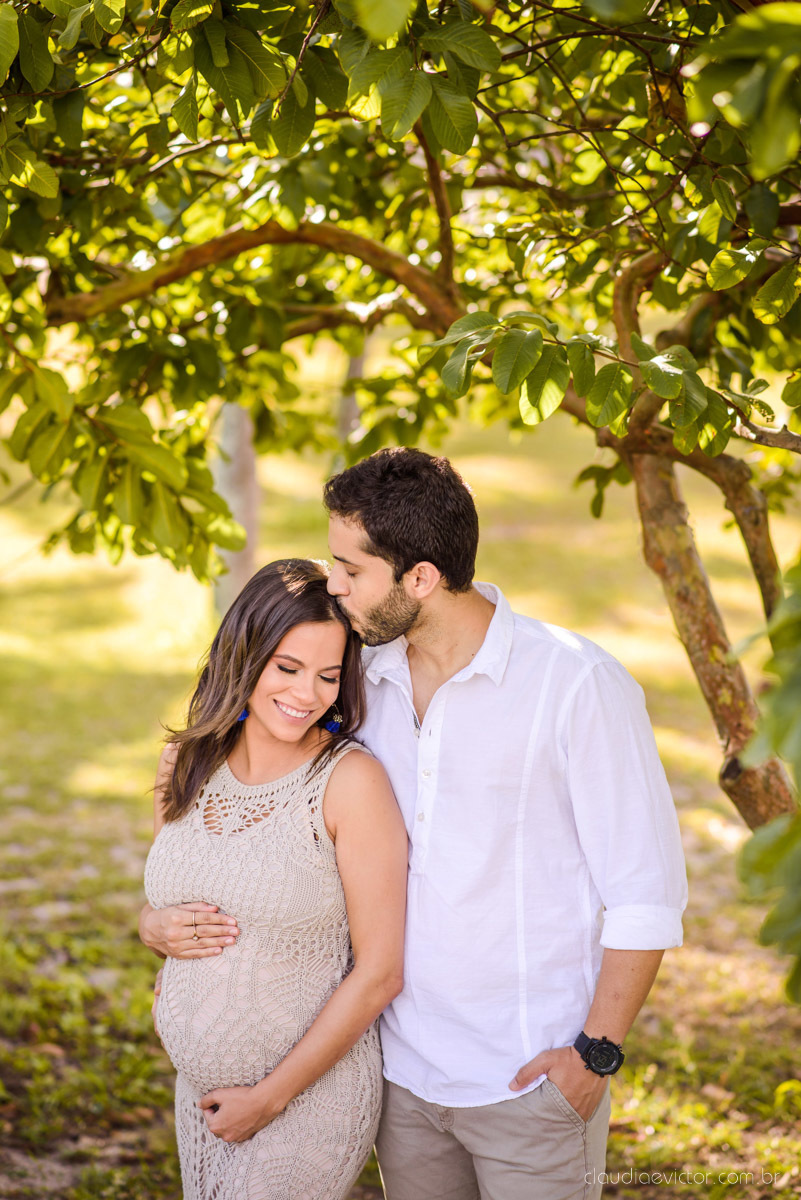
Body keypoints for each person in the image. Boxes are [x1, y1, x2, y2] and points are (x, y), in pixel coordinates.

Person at [322, 448, 688, 1200]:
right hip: (402, 1079)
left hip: (533, 1082)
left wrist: (595, 1055)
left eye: (350, 570)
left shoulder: (575, 684)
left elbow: (644, 893)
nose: (333, 586)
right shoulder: (364, 678)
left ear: (419, 577)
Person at [139, 558, 407, 1200]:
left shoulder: (349, 782)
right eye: (287, 668)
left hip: (305, 1099)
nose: (307, 694)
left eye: (327, 676)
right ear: (245, 655)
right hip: (201, 1095)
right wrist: (150, 926)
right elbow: (169, 895)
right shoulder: (186, 760)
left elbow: (381, 973)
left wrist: (267, 1098)